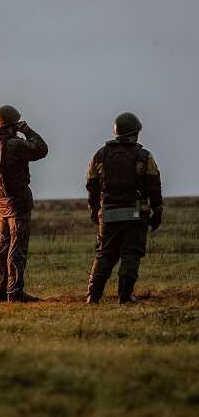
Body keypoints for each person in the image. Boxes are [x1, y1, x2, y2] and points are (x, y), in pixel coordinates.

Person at [85, 112, 163, 304]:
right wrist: (157, 210)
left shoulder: (100, 155)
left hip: (109, 212)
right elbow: (154, 185)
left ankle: (92, 297)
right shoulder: (144, 156)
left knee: (104, 254)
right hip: (135, 212)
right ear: (135, 133)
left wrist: (95, 211)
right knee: (131, 253)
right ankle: (125, 296)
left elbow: (92, 185)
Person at [0, 105, 48, 303]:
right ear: (13, 124)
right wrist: (27, 130)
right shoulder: (14, 144)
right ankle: (15, 292)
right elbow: (41, 149)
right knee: (17, 248)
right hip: (18, 203)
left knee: (2, 245)